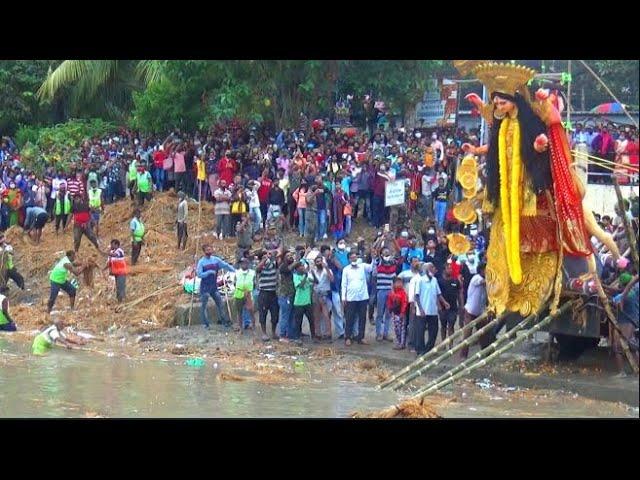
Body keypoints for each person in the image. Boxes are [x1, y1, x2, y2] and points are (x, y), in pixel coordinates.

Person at [196, 244, 235, 329]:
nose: (209, 251)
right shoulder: (201, 262)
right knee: (204, 306)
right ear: (204, 251)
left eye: (210, 249)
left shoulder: (216, 260)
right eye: (207, 250)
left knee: (220, 303)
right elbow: (199, 274)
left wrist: (234, 271)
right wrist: (208, 272)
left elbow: (225, 265)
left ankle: (224, 321)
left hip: (214, 286)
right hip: (205, 287)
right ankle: (206, 324)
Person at [414, 262, 449, 355]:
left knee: (434, 330)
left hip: (433, 310)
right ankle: (420, 350)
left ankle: (429, 349)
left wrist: (444, 303)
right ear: (427, 270)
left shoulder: (434, 280)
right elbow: (416, 296)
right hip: (423, 310)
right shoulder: (420, 280)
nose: (434, 269)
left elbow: (438, 294)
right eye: (432, 267)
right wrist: (420, 309)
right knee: (421, 331)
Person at [341, 251, 373, 346]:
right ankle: (348, 337)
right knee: (349, 318)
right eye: (352, 257)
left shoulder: (362, 266)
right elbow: (344, 284)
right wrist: (343, 298)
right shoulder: (346, 269)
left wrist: (374, 258)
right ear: (349, 259)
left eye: (355, 257)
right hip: (351, 297)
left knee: (362, 318)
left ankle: (361, 337)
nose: (354, 259)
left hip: (362, 297)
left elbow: (372, 268)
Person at [460, 263, 487, 360]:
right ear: (481, 270)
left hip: (479, 312)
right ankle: (463, 355)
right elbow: (484, 282)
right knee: (467, 334)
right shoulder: (476, 278)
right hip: (470, 312)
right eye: (485, 270)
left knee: (483, 333)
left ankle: (486, 353)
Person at [437, 259, 464, 344]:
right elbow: (437, 295)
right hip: (443, 307)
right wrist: (439, 306)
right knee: (443, 326)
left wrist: (461, 305)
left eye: (451, 268)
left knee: (451, 325)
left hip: (453, 307)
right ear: (444, 270)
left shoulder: (455, 281)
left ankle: (450, 344)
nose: (450, 270)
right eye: (448, 268)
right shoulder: (439, 281)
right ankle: (443, 343)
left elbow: (460, 293)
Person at [291, 259, 315, 345]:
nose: (302, 268)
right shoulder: (295, 276)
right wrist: (305, 276)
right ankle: (297, 337)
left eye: (302, 266)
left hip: (307, 302)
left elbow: (316, 281)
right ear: (296, 269)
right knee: (298, 321)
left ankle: (314, 336)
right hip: (299, 303)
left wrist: (312, 272)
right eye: (300, 267)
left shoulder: (307, 275)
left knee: (311, 320)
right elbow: (300, 286)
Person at [311, 254, 334, 341]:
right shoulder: (313, 271)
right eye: (317, 262)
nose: (319, 263)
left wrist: (327, 268)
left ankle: (328, 333)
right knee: (316, 315)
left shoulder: (327, 270)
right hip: (316, 293)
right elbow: (311, 282)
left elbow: (332, 279)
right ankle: (318, 333)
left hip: (325, 294)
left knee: (326, 315)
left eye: (320, 261)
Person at [233, 257, 256, 333]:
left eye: (245, 263)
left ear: (248, 264)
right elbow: (234, 282)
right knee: (239, 312)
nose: (243, 264)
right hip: (239, 292)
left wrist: (250, 290)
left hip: (248, 293)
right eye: (242, 263)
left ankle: (253, 326)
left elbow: (255, 283)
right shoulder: (237, 272)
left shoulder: (252, 272)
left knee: (251, 311)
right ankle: (240, 328)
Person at [386, 277, 408, 349]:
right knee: (396, 328)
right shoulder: (391, 293)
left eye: (400, 283)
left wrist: (402, 312)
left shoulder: (403, 292)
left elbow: (404, 303)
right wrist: (390, 310)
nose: (399, 284)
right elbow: (389, 302)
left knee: (402, 329)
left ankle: (402, 344)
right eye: (397, 283)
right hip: (394, 313)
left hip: (401, 314)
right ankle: (399, 342)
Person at [104, 239, 127, 303]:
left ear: (116, 244)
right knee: (118, 287)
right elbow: (109, 263)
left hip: (121, 272)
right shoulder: (113, 253)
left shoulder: (120, 251)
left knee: (121, 287)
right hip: (116, 273)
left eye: (112, 244)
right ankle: (119, 301)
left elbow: (114, 255)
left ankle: (122, 301)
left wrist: (108, 252)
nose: (111, 245)